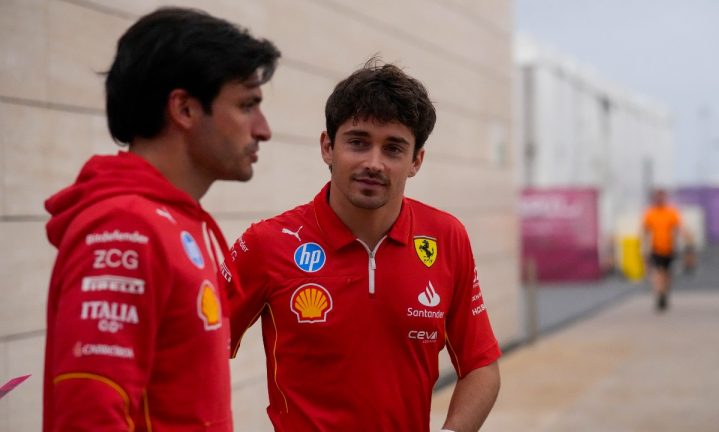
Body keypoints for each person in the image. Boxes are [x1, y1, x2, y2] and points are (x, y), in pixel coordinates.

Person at [221, 59, 501, 432]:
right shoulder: (267, 243)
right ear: (327, 147)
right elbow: (191, 351)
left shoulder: (446, 237)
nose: (374, 163)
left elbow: (480, 365)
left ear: (416, 161)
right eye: (358, 142)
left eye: (393, 149)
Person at [42, 8, 279, 431]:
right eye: (247, 106)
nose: (263, 129)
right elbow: (89, 412)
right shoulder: (124, 228)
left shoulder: (177, 222)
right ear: (185, 109)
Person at [642, 188, 683, 311]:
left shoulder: (671, 212)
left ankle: (665, 293)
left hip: (669, 248)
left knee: (667, 273)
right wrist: (645, 249)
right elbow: (646, 232)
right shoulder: (650, 213)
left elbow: (677, 229)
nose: (660, 199)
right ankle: (659, 294)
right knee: (657, 272)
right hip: (655, 248)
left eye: (662, 196)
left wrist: (677, 243)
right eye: (657, 197)